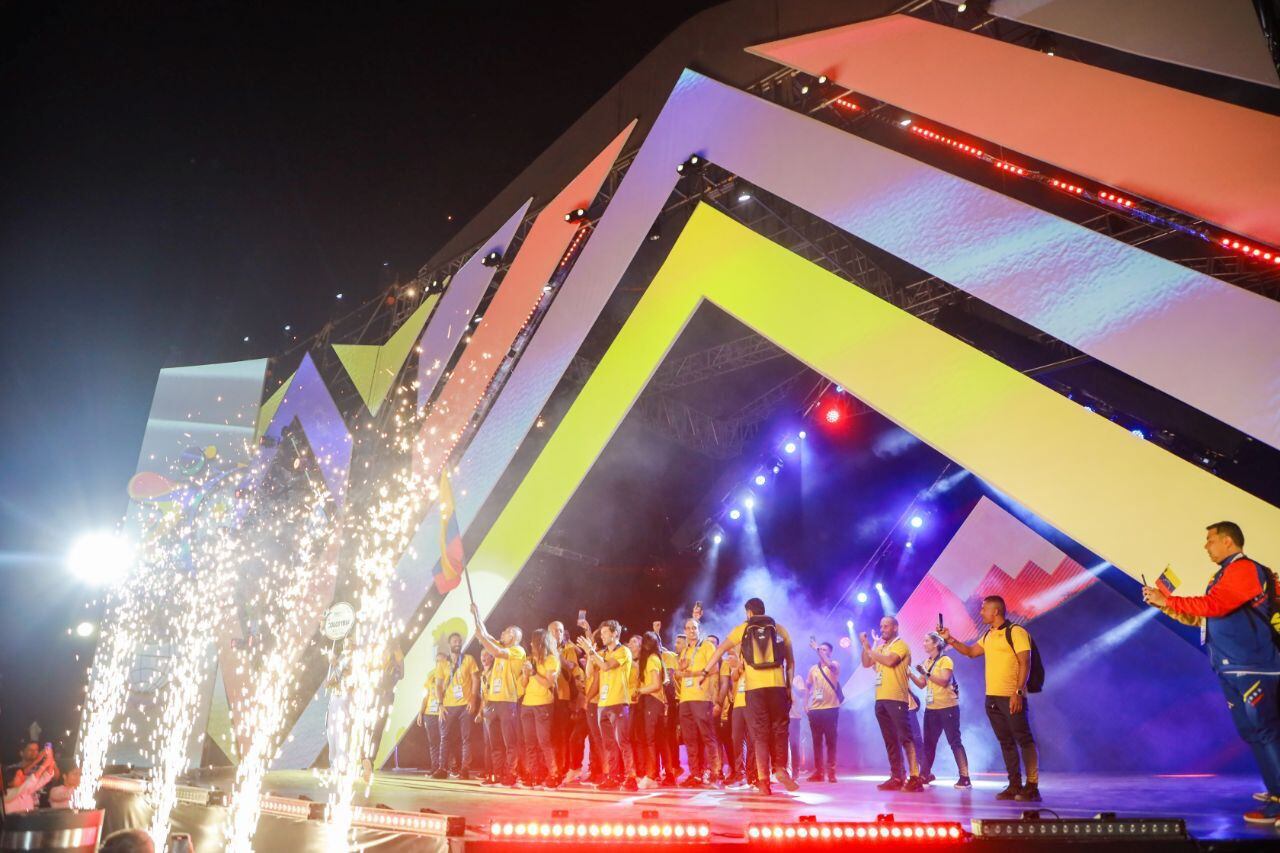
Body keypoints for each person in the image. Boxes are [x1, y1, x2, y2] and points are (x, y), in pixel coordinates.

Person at [1142, 521, 1280, 825]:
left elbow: (1215, 606)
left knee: (1266, 731)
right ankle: (1275, 791)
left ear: (1229, 542)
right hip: (1231, 665)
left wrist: (1169, 599)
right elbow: (1204, 617)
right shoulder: (1222, 575)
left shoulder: (1244, 569)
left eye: (1210, 540)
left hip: (1252, 664)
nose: (1206, 546)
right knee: (1253, 732)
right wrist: (1164, 605)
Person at [939, 595, 1040, 801]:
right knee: (1006, 741)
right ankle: (1014, 784)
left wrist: (1018, 692)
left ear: (996, 611)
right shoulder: (989, 635)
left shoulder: (1016, 632)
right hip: (992, 698)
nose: (981, 612)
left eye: (984, 609)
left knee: (1024, 739)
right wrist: (950, 639)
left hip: (1011, 695)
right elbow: (970, 652)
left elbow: (1025, 663)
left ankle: (1032, 785)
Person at [703, 598, 797, 796]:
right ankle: (780, 768)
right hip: (777, 686)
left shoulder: (743, 628)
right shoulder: (779, 629)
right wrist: (788, 687)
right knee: (780, 729)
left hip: (754, 690)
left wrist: (705, 671)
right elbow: (790, 662)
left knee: (760, 735)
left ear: (749, 613)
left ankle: (763, 782)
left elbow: (720, 649)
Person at [861, 616, 924, 792]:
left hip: (896, 697)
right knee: (890, 740)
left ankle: (915, 777)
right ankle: (897, 776)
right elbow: (866, 663)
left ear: (895, 627)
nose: (882, 629)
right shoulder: (880, 647)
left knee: (905, 737)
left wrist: (868, 648)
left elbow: (890, 661)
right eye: (881, 626)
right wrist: (865, 644)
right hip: (881, 698)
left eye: (886, 626)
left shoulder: (900, 645)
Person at [576, 619, 638, 791]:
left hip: (618, 702)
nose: (602, 636)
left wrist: (592, 652)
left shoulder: (623, 651)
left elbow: (606, 666)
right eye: (601, 633)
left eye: (605, 633)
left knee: (622, 742)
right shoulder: (601, 652)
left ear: (615, 634)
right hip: (602, 704)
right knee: (608, 743)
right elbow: (590, 673)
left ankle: (631, 777)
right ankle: (613, 776)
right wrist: (590, 655)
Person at [471, 603, 525, 787]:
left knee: (510, 742)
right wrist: (477, 615)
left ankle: (510, 775)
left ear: (514, 636)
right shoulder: (501, 645)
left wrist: (482, 638)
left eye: (506, 632)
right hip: (492, 702)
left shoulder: (517, 651)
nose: (502, 633)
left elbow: (494, 649)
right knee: (494, 744)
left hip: (507, 702)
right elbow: (486, 636)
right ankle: (496, 774)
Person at [909, 632, 971, 789]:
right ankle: (924, 775)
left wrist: (926, 673)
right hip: (932, 708)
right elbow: (922, 684)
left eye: (927, 640)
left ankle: (965, 777)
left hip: (947, 706)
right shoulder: (927, 661)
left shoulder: (945, 660)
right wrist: (909, 673)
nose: (923, 643)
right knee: (928, 744)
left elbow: (944, 681)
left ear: (936, 644)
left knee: (954, 742)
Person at [674, 617, 720, 788]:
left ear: (698, 630)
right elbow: (679, 674)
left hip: (701, 697)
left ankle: (714, 774)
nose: (691, 631)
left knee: (707, 736)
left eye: (694, 628)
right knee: (689, 739)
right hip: (685, 699)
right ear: (685, 631)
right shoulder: (685, 651)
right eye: (688, 628)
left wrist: (690, 674)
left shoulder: (707, 646)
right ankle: (695, 774)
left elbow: (714, 668)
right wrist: (680, 671)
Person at [432, 632, 480, 780]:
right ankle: (442, 769)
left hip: (465, 704)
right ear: (449, 644)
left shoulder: (468, 659)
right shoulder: (443, 664)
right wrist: (440, 705)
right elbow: (438, 686)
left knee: (466, 738)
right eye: (454, 641)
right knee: (444, 737)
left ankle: (465, 768)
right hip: (447, 706)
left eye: (459, 641)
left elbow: (475, 680)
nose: (457, 643)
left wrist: (472, 699)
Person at [520, 627, 562, 788]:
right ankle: (535, 773)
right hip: (527, 705)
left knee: (544, 741)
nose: (530, 643)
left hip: (543, 705)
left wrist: (533, 673)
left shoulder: (551, 660)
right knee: (530, 743)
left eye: (533, 641)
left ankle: (554, 773)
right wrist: (525, 674)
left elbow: (548, 684)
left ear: (540, 642)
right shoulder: (530, 659)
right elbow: (523, 685)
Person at [635, 630, 673, 789]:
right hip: (655, 703)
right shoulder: (657, 658)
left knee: (650, 740)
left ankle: (651, 775)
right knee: (661, 741)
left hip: (653, 701)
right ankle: (667, 774)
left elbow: (656, 684)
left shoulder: (651, 659)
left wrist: (639, 691)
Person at [806, 640, 841, 782]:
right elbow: (808, 687)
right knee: (816, 742)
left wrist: (817, 649)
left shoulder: (835, 665)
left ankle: (831, 772)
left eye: (824, 650)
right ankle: (818, 772)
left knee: (831, 741)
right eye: (820, 649)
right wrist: (805, 703)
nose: (821, 651)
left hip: (830, 709)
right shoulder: (813, 669)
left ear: (830, 652)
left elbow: (830, 665)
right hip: (815, 709)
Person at [416, 649, 447, 773]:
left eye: (442, 660)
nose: (439, 663)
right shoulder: (430, 675)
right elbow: (425, 695)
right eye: (437, 661)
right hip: (429, 713)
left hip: (442, 711)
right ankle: (434, 766)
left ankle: (444, 767)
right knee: (433, 741)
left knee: (444, 741)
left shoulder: (450, 673)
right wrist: (420, 712)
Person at [3, 743, 55, 814]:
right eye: (19, 776)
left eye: (36, 750)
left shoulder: (26, 791)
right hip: (12, 824)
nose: (23, 777)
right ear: (9, 781)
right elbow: (28, 783)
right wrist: (43, 765)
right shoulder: (5, 795)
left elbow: (44, 778)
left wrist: (50, 758)